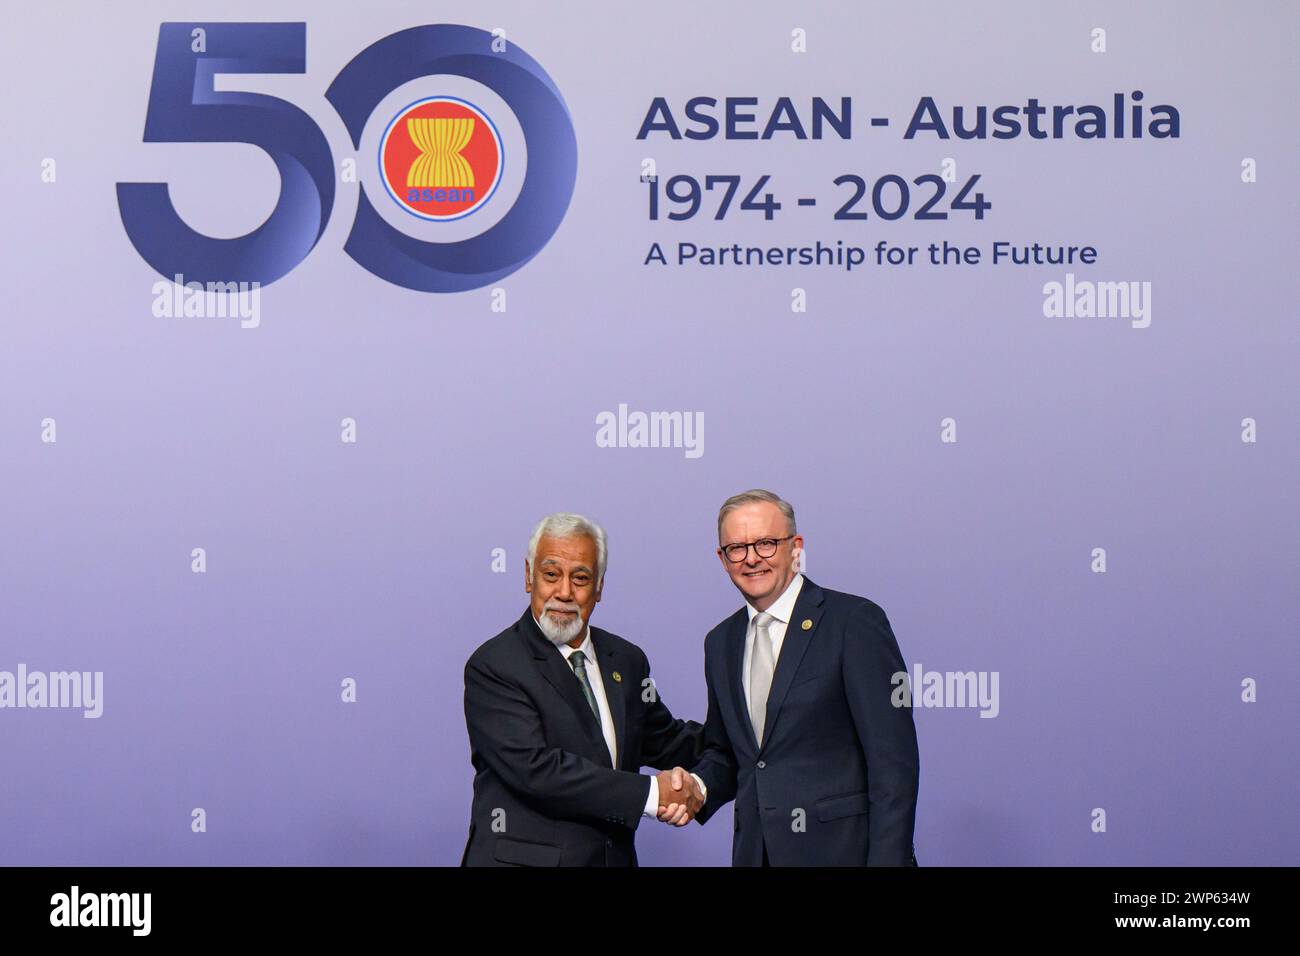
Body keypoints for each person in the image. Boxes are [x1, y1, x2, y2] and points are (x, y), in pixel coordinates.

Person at [678, 489, 920, 865]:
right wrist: (696, 787)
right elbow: (730, 754)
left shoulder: (853, 623)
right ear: (722, 559)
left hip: (844, 855)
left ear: (796, 546)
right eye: (736, 548)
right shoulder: (720, 642)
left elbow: (893, 765)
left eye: (766, 543)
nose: (751, 558)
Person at [462, 512, 704, 866]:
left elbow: (668, 741)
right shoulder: (495, 665)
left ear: (600, 587)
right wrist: (654, 794)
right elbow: (539, 771)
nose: (563, 592)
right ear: (528, 576)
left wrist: (749, 743)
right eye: (550, 575)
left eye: (580, 578)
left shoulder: (626, 659)